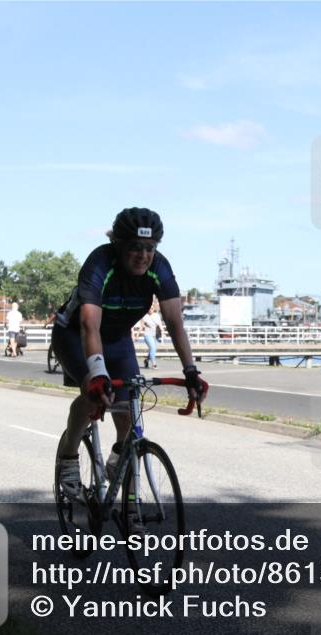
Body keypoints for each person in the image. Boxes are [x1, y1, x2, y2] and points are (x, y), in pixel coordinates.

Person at [52, 207, 205, 526]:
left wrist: (191, 372)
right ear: (118, 244)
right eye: (135, 246)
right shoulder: (100, 263)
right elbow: (89, 326)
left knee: (129, 415)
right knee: (94, 394)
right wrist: (96, 375)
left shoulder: (159, 269)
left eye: (150, 248)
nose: (143, 255)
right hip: (76, 335)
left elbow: (175, 323)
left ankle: (129, 502)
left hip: (118, 338)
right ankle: (68, 456)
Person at [138, 304, 161, 369]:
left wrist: (163, 332)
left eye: (152, 308)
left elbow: (160, 324)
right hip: (147, 335)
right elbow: (141, 326)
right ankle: (154, 364)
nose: (151, 309)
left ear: (154, 309)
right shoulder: (144, 316)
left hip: (155, 335)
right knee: (153, 348)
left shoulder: (157, 315)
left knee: (153, 349)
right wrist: (137, 335)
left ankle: (146, 360)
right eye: (150, 308)